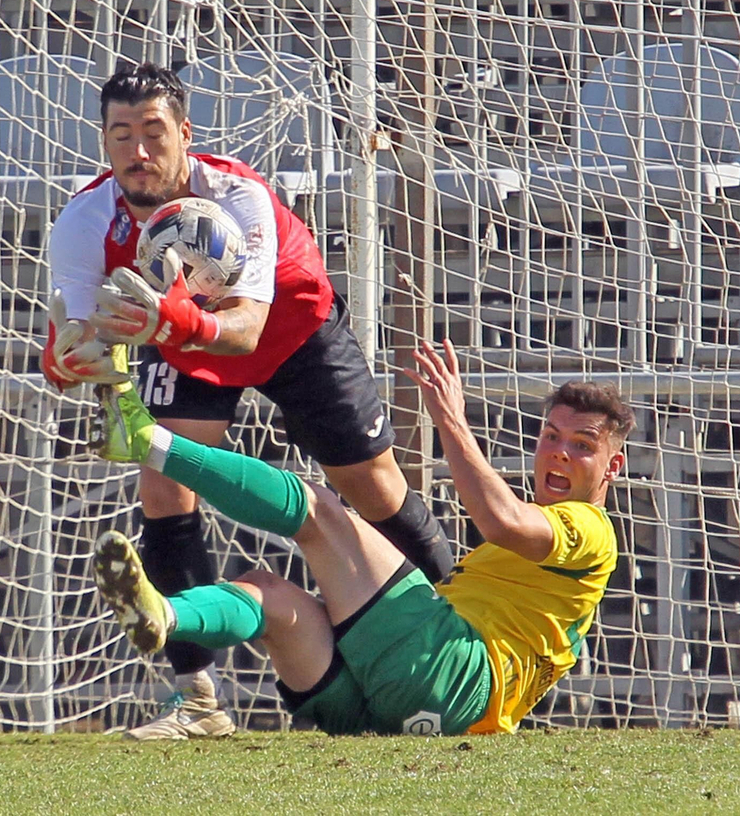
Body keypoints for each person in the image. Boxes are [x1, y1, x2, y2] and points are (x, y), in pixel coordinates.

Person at [41, 61, 452, 739]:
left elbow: (247, 329)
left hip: (293, 332)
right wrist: (69, 358)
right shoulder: (85, 220)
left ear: (185, 134)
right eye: (121, 135)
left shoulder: (238, 196)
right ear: (104, 141)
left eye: (153, 131)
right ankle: (197, 701)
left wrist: (176, 323)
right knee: (164, 488)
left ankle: (467, 623)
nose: (138, 150)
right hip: (181, 344)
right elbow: (76, 333)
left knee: (374, 489)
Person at [87, 340, 630, 735]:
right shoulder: (548, 549)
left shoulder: (589, 527)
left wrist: (451, 419)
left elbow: (503, 520)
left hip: (455, 676)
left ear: (613, 467)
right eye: (551, 436)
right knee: (268, 594)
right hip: (405, 711)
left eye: (583, 445)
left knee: (318, 510)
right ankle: (165, 614)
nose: (560, 452)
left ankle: (146, 440)